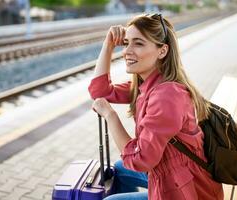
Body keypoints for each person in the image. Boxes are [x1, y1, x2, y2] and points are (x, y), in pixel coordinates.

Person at [88, 13, 224, 200]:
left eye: (138, 43)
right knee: (120, 168)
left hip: (189, 191)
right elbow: (99, 91)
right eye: (126, 43)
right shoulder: (149, 84)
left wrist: (111, 115)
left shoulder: (167, 95)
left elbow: (140, 160)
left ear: (162, 51)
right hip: (168, 172)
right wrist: (108, 45)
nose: (127, 50)